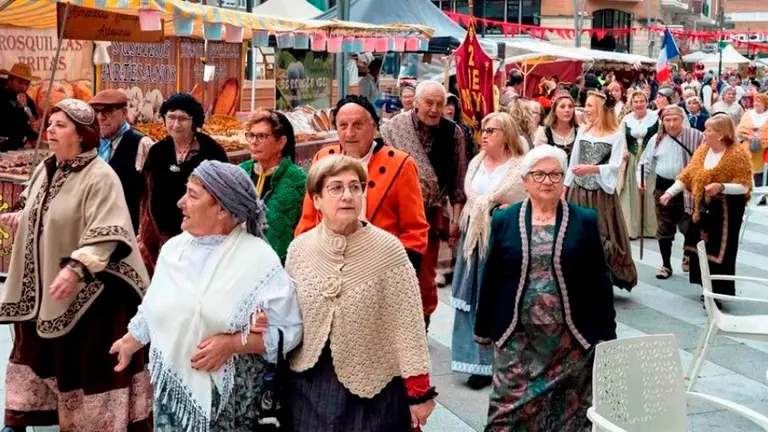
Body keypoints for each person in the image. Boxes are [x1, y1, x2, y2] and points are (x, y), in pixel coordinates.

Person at [111, 160, 303, 431]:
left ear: (222, 208)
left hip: (232, 404)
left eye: (192, 195)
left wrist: (233, 344)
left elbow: (288, 332)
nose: (180, 202)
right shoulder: (174, 251)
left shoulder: (258, 260)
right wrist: (131, 342)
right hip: (174, 399)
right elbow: (155, 306)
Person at [0, 99, 151, 431]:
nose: (50, 130)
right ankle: (20, 417)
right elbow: (39, 208)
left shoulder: (101, 177)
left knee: (82, 367)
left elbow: (108, 232)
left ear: (82, 135)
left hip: (92, 296)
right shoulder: (45, 168)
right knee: (34, 353)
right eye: (50, 124)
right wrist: (21, 217)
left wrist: (76, 268)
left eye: (60, 125)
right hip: (43, 289)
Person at [286, 155, 437, 431]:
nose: (348, 195)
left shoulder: (388, 250)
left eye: (355, 187)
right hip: (308, 384)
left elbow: (408, 325)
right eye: (336, 188)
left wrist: (419, 391)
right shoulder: (300, 250)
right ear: (316, 199)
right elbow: (287, 317)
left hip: (373, 386)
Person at [475, 145, 617, 431]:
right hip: (517, 337)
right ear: (525, 180)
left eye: (555, 174)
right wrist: (483, 328)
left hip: (570, 340)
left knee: (569, 413)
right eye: (539, 174)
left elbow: (599, 279)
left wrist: (606, 333)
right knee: (506, 413)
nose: (547, 181)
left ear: (563, 180)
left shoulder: (584, 219)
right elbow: (491, 275)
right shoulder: (505, 219)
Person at [295, 95, 429, 280]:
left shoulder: (400, 164)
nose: (349, 133)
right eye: (343, 126)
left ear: (374, 128)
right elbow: (308, 220)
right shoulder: (323, 158)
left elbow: (414, 229)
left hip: (380, 269)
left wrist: (400, 273)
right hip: (326, 266)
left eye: (358, 125)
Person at [450, 112, 528, 390]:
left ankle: (503, 362)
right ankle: (476, 364)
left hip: (503, 240)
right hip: (474, 237)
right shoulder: (476, 163)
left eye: (492, 131)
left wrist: (511, 208)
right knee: (471, 300)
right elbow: (472, 198)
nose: (484, 135)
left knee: (500, 299)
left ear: (506, 135)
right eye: (484, 130)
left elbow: (528, 199)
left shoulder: (519, 167)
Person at [380, 81, 467, 328]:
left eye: (440, 104)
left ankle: (420, 324)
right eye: (429, 103)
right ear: (415, 102)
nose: (434, 109)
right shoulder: (393, 129)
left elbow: (457, 183)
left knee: (424, 275)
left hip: (428, 215)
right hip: (392, 212)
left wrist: (456, 220)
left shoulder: (454, 133)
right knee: (389, 271)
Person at [660, 114, 752, 298]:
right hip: (703, 208)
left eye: (708, 130)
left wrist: (722, 187)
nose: (704, 133)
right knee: (700, 247)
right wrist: (669, 192)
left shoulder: (737, 154)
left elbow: (744, 185)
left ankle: (718, 293)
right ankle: (705, 286)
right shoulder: (703, 151)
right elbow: (687, 174)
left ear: (720, 134)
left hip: (726, 211)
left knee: (721, 252)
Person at [138, 93, 228, 275]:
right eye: (171, 117)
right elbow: (147, 194)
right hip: (162, 234)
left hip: (201, 235)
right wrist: (143, 231)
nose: (176, 124)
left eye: (183, 119)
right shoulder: (157, 151)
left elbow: (223, 196)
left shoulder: (212, 151)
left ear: (194, 121)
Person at [565, 90, 638, 290]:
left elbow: (614, 166)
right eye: (586, 105)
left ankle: (600, 279)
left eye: (589, 105)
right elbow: (574, 161)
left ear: (599, 108)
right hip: (578, 191)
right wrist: (565, 187)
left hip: (600, 194)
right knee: (576, 234)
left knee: (602, 234)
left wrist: (593, 169)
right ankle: (579, 280)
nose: (585, 109)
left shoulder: (615, 135)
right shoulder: (583, 131)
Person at [638, 106, 703, 279]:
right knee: (664, 229)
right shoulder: (656, 139)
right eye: (667, 120)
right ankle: (666, 265)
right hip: (662, 188)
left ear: (682, 119)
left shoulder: (696, 136)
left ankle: (688, 255)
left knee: (689, 226)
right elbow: (644, 162)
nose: (672, 124)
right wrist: (641, 181)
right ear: (663, 122)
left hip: (688, 190)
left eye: (675, 120)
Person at [239, 108, 306, 262]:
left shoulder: (298, 180)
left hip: (280, 264)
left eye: (262, 136)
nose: (254, 142)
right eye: (251, 135)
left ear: (281, 142)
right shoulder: (240, 173)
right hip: (240, 261)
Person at [90, 89, 155, 233]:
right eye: (97, 111)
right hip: (94, 226)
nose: (101, 117)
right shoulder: (92, 143)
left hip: (128, 231)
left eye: (107, 111)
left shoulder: (141, 144)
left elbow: (153, 194)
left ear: (124, 113)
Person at [620, 89, 659, 239]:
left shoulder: (655, 118)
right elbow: (622, 137)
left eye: (641, 101)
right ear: (631, 104)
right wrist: (624, 150)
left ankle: (650, 228)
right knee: (632, 193)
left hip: (650, 158)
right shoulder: (626, 120)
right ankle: (632, 228)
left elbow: (660, 137)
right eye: (635, 101)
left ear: (646, 102)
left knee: (649, 191)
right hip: (632, 158)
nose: (639, 104)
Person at [0, 63, 39, 151]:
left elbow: (33, 122)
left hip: (18, 148)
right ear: (10, 80)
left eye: (27, 84)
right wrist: (20, 109)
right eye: (20, 82)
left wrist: (34, 124)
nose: (24, 87)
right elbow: (10, 123)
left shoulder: (28, 100)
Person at [533, 92, 578, 160]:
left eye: (570, 106)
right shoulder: (544, 132)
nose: (567, 110)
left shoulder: (579, 131)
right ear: (554, 111)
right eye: (562, 107)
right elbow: (537, 158)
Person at [735, 93, 768, 187]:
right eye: (755, 101)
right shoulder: (748, 114)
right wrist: (748, 137)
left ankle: (760, 195)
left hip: (763, 151)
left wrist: (762, 139)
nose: (756, 103)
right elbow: (739, 131)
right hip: (747, 148)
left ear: (765, 104)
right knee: (746, 173)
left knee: (760, 176)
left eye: (759, 101)